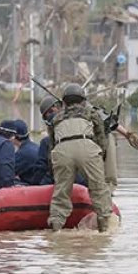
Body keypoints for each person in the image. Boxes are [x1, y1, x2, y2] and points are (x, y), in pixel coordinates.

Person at [47, 84, 113, 232]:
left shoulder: (56, 118)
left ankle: (56, 228)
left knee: (61, 192)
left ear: (64, 103)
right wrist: (99, 157)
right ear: (83, 101)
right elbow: (101, 138)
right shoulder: (91, 113)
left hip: (61, 149)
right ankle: (104, 228)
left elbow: (51, 146)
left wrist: (53, 168)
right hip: (86, 146)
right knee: (98, 188)